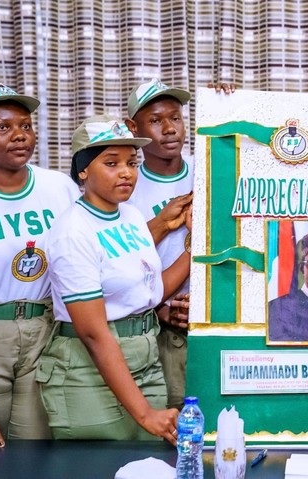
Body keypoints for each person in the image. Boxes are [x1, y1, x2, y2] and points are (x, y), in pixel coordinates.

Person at [36, 115, 192, 444]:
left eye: (131, 162)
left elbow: (151, 292)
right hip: (89, 370)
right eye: (111, 162)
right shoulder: (72, 231)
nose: (126, 172)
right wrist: (145, 413)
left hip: (146, 358)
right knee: (100, 466)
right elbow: (93, 333)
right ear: (83, 170)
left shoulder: (132, 215)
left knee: (146, 465)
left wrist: (193, 250)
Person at [0, 84, 81, 444]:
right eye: (3, 127)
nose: (19, 136)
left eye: (25, 126)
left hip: (46, 330)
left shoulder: (61, 188)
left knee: (36, 448)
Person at [124, 79, 194, 410]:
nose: (169, 129)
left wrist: (230, 100)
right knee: (170, 427)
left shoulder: (208, 166)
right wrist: (158, 308)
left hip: (213, 320)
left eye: (175, 118)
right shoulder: (124, 187)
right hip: (157, 327)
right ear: (132, 127)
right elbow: (116, 265)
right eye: (155, 121)